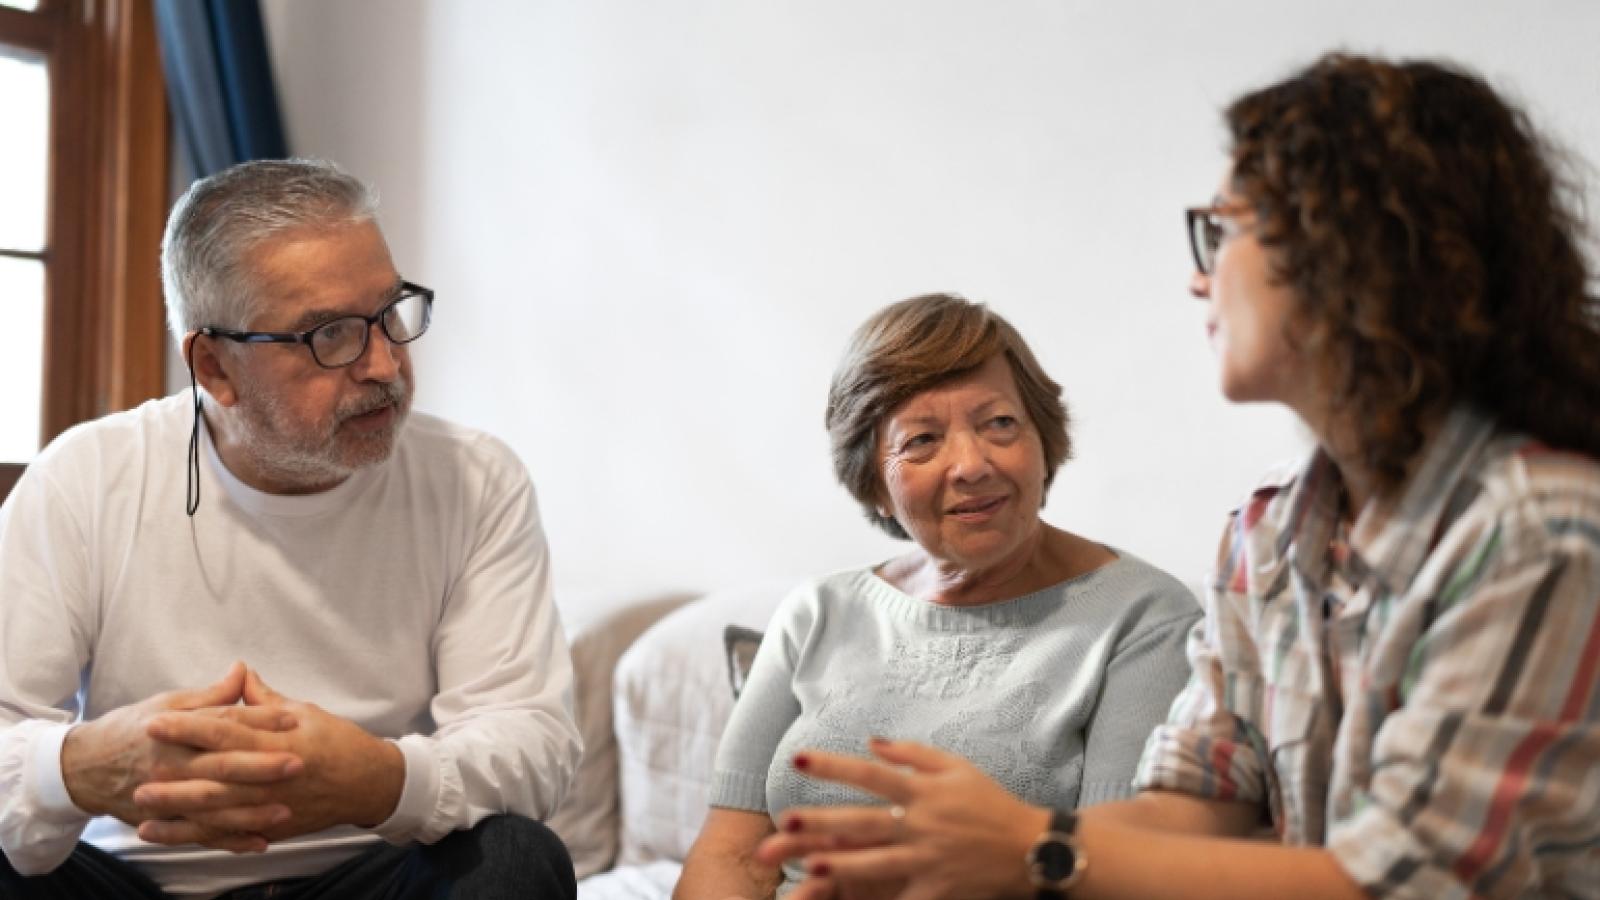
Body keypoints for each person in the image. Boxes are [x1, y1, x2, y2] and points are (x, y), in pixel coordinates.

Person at [755, 53, 1600, 900]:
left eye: (1221, 231)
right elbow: (1195, 804)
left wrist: (1032, 851)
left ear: (1350, 252)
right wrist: (942, 856)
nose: (1199, 276)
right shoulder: (1270, 529)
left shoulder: (1542, 529)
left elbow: (1397, 882)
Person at [0, 158, 583, 898]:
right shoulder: (85, 478)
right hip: (132, 885)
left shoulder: (475, 479)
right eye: (330, 336)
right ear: (214, 367)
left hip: (362, 879)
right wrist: (80, 765)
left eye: (389, 313)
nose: (383, 364)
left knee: (516, 857)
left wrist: (378, 780)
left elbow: (530, 738)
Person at [675, 294, 1201, 899]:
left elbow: (1113, 872)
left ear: (1042, 441)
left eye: (1000, 423)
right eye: (922, 440)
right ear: (873, 480)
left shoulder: (1145, 618)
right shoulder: (815, 613)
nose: (971, 464)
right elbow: (732, 853)